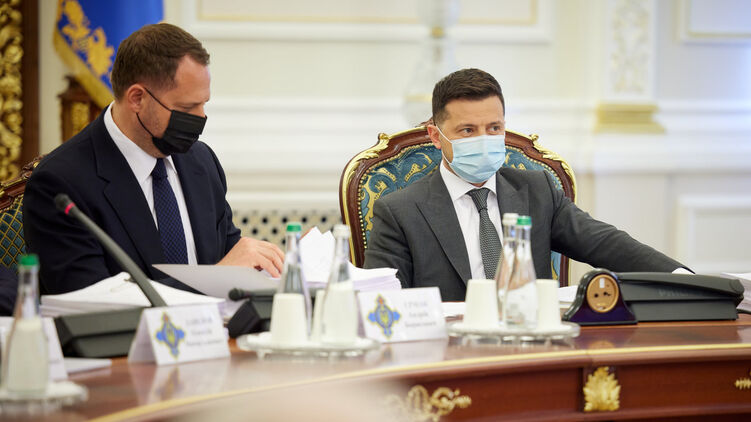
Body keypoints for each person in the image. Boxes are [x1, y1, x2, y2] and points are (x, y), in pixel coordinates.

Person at [364, 68, 687, 301]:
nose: (484, 139)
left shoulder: (537, 190)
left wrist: (685, 281)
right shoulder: (399, 211)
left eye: (494, 128)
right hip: (449, 356)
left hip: (531, 348)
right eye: (468, 131)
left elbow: (606, 244)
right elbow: (381, 304)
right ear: (436, 136)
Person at [23, 23, 283, 294]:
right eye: (187, 107)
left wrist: (276, 268)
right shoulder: (61, 184)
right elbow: (89, 301)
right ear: (137, 98)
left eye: (204, 104)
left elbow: (230, 258)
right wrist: (219, 277)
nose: (201, 118)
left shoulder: (202, 162)